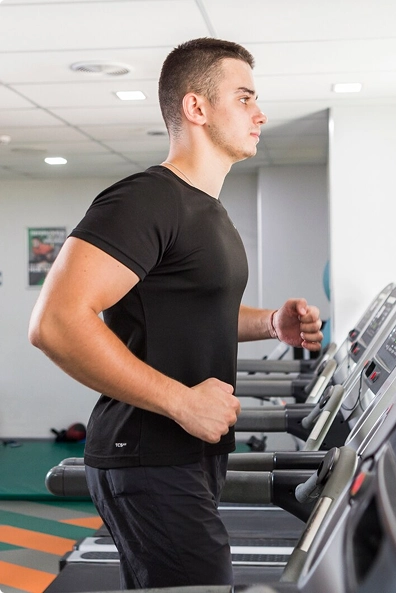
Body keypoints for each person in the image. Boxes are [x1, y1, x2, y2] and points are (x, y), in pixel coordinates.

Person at [28, 38, 323, 589]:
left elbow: (187, 312)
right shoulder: (145, 199)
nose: (260, 113)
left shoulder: (207, 210)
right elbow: (56, 323)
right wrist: (181, 401)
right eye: (244, 98)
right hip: (148, 455)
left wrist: (269, 324)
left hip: (188, 455)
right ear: (197, 108)